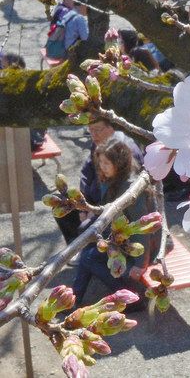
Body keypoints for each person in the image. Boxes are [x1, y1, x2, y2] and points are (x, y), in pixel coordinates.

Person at [72, 137, 154, 311]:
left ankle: (132, 299)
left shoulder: (130, 187)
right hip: (122, 235)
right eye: (100, 162)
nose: (102, 167)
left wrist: (141, 264)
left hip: (140, 246)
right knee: (87, 249)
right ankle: (74, 297)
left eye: (107, 163)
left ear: (119, 162)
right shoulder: (115, 178)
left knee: (88, 257)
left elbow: (143, 229)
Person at [55, 120, 143, 257]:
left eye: (98, 130)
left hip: (112, 206)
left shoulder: (126, 150)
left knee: (85, 228)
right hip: (93, 199)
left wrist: (93, 211)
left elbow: (122, 193)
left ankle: (89, 250)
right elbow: (86, 173)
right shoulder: (98, 145)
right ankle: (75, 248)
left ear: (111, 128)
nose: (93, 134)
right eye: (90, 130)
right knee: (61, 205)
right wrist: (82, 203)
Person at [0, 53, 47, 151]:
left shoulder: (20, 87)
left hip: (30, 139)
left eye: (4, 66)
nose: (2, 70)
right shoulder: (24, 80)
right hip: (25, 135)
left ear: (13, 67)